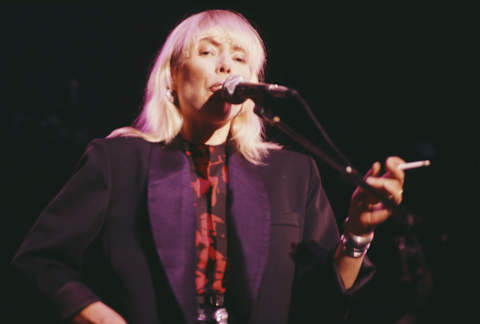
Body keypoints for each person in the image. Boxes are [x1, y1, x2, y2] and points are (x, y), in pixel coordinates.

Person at [11, 9, 405, 324]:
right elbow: (39, 261)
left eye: (239, 59)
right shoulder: (118, 161)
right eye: (207, 52)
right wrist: (96, 314)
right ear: (171, 79)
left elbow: (322, 307)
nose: (226, 67)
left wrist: (357, 233)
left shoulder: (291, 174)